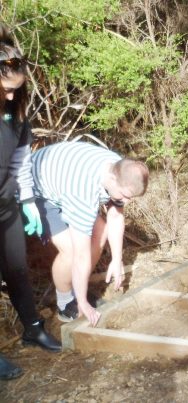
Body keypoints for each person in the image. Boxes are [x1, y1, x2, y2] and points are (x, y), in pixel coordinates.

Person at [31, 141, 149, 327]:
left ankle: (78, 288)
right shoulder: (83, 192)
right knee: (70, 252)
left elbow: (115, 216)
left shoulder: (119, 168)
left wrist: (117, 259)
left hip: (62, 180)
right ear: (112, 179)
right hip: (36, 192)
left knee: (101, 232)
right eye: (125, 195)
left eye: (131, 197)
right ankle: (66, 303)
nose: (126, 202)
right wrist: (83, 303)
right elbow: (81, 254)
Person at [0, 24, 61, 380]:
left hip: (7, 206)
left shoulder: (17, 114)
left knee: (17, 269)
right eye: (6, 89)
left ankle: (33, 328)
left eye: (17, 90)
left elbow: (21, 162)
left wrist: (28, 200)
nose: (11, 96)